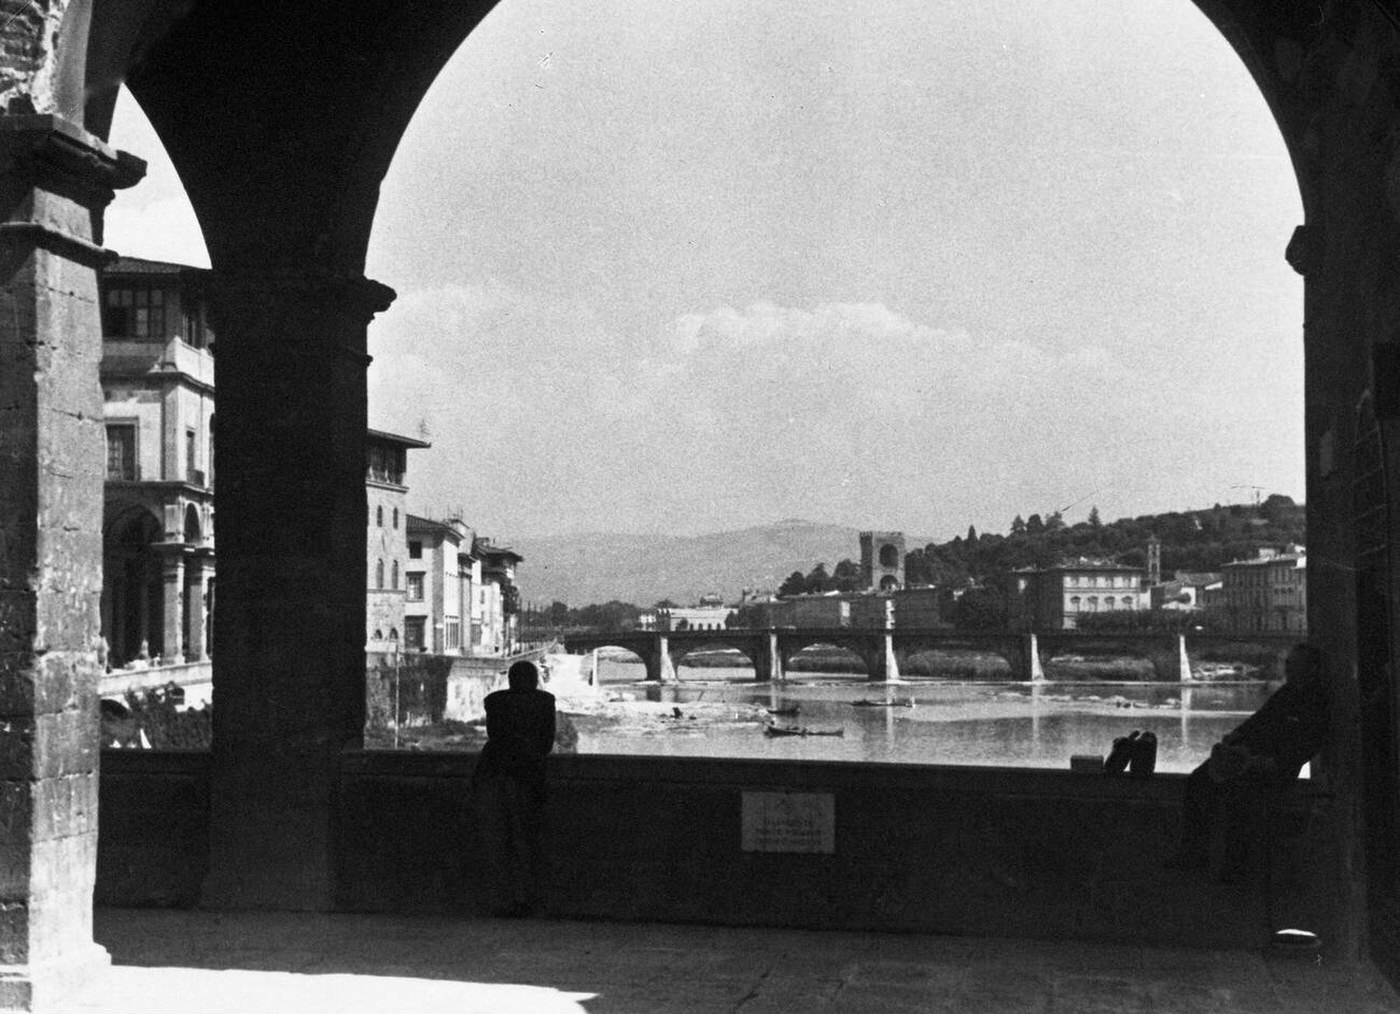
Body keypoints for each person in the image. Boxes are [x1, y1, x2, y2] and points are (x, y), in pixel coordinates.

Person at [1163, 642, 1328, 883]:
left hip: (1276, 768)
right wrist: (1234, 738)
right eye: (1288, 663)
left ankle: (1235, 867)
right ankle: (1194, 852)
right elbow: (1257, 722)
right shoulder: (1286, 694)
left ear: (1311, 669)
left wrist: (1271, 762)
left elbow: (1306, 746)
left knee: (1239, 796)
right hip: (1250, 760)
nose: (1288, 668)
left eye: (1293, 664)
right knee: (1198, 780)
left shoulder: (1316, 702)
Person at [471, 660, 557, 916]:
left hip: (493, 772)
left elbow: (494, 735)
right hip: (527, 774)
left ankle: (500, 899)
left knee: (496, 840)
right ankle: (525, 898)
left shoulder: (495, 701)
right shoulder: (544, 702)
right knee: (526, 839)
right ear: (534, 680)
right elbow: (546, 742)